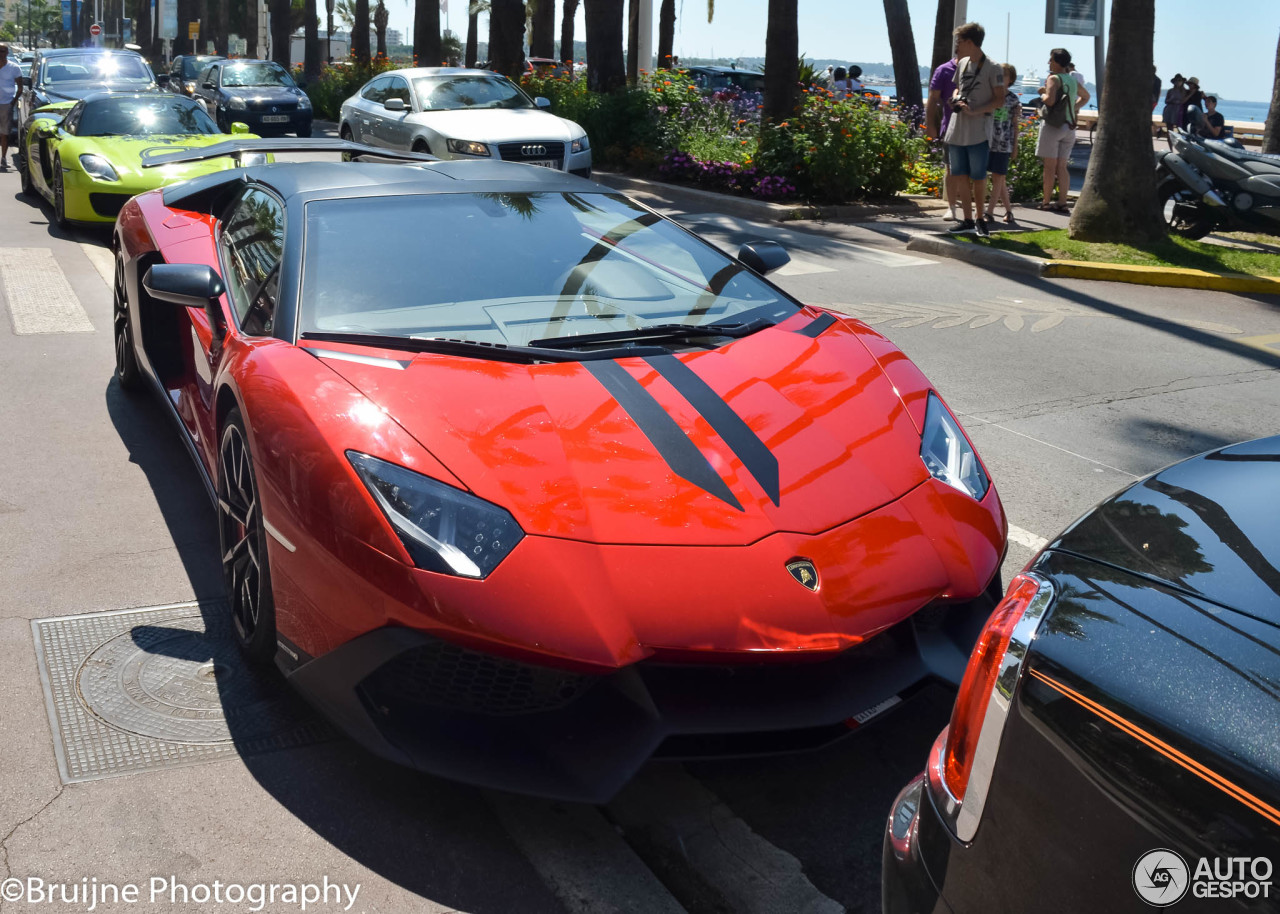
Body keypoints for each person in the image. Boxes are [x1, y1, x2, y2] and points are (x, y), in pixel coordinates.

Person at [943, 22, 1005, 236]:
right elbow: (958, 86)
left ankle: (981, 219)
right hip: (957, 129)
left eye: (959, 42)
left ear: (970, 42)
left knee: (978, 176)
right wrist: (955, 98)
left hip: (979, 130)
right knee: (959, 174)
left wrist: (975, 110)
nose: (957, 46)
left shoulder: (994, 67)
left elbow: (999, 100)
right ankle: (967, 219)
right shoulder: (961, 63)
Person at [1036, 47, 1089, 212]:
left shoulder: (1054, 78)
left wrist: (1042, 93)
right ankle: (1062, 202)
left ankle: (1046, 202)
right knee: (1062, 167)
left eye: (1051, 59)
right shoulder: (1072, 80)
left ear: (1057, 62)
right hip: (1069, 126)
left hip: (1053, 126)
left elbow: (1050, 101)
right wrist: (1074, 107)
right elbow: (1086, 96)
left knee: (1049, 167)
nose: (1049, 63)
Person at [926, 52, 961, 222]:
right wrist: (930, 125)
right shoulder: (944, 70)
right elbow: (932, 99)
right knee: (951, 169)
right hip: (951, 129)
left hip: (976, 129)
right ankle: (952, 207)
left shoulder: (980, 69)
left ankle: (976, 213)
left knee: (974, 173)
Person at [985, 63, 1021, 225]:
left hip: (1003, 144)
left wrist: (1015, 146)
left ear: (1011, 79)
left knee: (998, 177)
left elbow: (1015, 124)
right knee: (999, 180)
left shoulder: (1013, 100)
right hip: (987, 141)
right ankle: (1009, 211)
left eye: (1004, 75)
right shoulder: (990, 95)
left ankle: (990, 212)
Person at [0, 44, 20, 172]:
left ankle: (3, 158)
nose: (0, 53)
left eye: (2, 51)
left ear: (7, 52)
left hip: (6, 103)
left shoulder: (14, 68)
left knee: (4, 132)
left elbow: (21, 86)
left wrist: (13, 102)